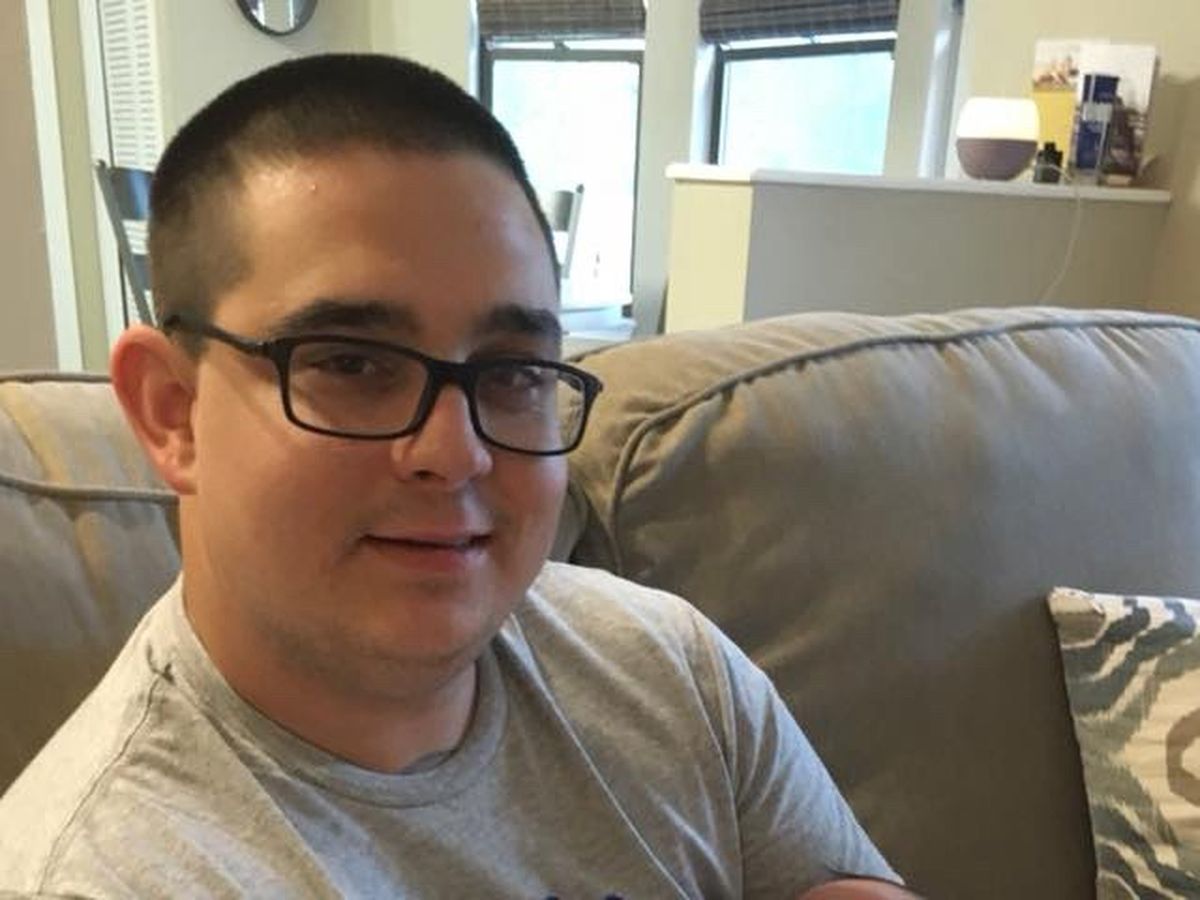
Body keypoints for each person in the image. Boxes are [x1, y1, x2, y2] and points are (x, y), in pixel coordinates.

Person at [0, 54, 916, 899]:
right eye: (352, 364)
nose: (455, 451)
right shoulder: (109, 873)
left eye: (513, 373)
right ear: (172, 410)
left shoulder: (668, 670)